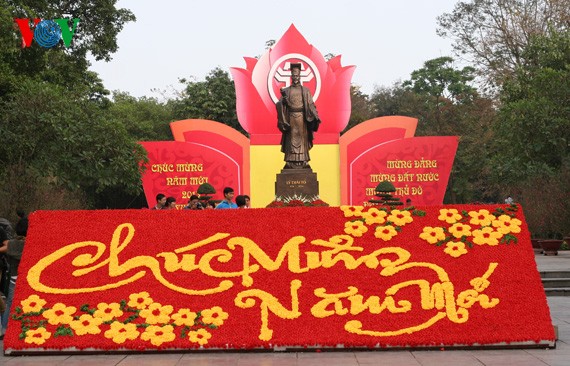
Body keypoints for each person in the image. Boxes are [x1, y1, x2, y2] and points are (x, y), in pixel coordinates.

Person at [276, 63, 321, 169]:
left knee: (302, 140)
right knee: (290, 140)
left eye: (297, 76)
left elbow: (310, 104)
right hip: (290, 118)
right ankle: (290, 161)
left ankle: (304, 160)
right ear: (291, 77)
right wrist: (283, 102)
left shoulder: (305, 91)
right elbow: (278, 104)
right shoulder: (286, 91)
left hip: (302, 118)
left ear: (300, 76)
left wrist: (315, 115)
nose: (295, 78)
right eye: (294, 76)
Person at [0, 216, 27, 338]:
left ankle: (5, 328)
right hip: (27, 279)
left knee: (10, 303)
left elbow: (6, 249)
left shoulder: (12, 244)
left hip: (14, 277)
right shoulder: (31, 244)